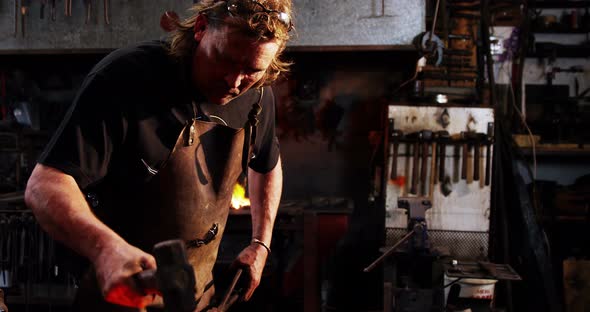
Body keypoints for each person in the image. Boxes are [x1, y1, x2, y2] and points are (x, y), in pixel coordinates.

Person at [24, 0, 293, 311]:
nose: (233, 82)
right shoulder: (127, 79)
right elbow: (45, 184)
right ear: (202, 28)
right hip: (124, 297)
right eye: (224, 59)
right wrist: (106, 250)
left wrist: (261, 243)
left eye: (251, 70)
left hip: (202, 298)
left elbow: (267, 163)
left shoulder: (257, 94)